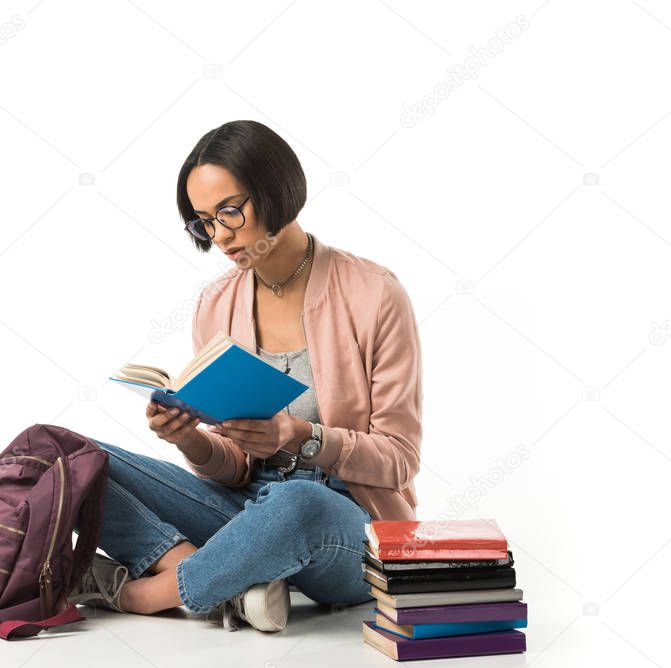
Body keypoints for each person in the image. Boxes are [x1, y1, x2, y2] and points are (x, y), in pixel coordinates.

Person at [71, 120, 423, 632]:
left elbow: (399, 459)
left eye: (230, 210)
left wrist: (304, 438)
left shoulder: (374, 293)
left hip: (349, 527)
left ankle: (145, 594)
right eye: (203, 222)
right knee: (83, 461)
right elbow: (234, 468)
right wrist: (190, 439)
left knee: (297, 500)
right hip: (246, 510)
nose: (219, 236)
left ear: (275, 188)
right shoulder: (217, 304)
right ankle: (242, 581)